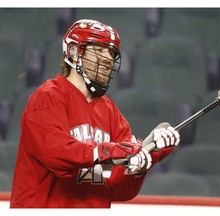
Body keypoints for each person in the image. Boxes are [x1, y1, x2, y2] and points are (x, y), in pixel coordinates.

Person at [10, 19, 180, 208]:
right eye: (99, 50)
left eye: (112, 52)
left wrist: (142, 161)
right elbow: (56, 153)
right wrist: (109, 151)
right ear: (74, 52)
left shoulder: (110, 110)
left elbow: (118, 189)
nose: (108, 58)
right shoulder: (48, 95)